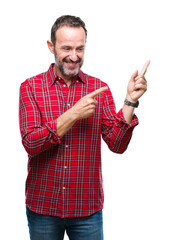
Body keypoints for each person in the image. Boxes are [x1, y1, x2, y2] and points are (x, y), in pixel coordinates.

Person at [19, 15, 150, 240]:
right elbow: (31, 143)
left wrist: (130, 101)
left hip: (86, 209)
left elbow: (117, 144)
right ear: (51, 46)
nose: (74, 56)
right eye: (66, 48)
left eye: (80, 48)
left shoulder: (99, 88)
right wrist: (73, 114)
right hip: (43, 207)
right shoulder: (30, 87)